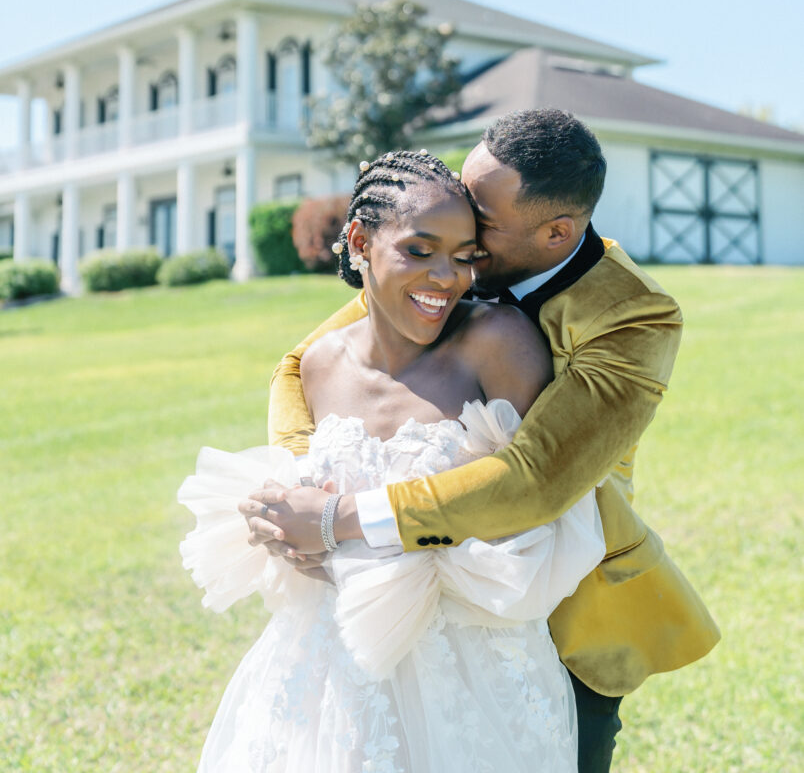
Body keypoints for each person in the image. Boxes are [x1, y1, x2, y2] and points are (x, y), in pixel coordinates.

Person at [251, 111, 720, 773]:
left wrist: (337, 521)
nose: (463, 227)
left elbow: (535, 481)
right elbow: (304, 364)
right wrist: (303, 480)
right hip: (406, 607)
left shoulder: (633, 316)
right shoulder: (448, 264)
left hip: (561, 600)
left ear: (557, 231)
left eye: (484, 221)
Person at [179, 149, 608, 772]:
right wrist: (272, 521)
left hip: (474, 678)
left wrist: (337, 531)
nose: (446, 278)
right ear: (359, 240)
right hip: (330, 675)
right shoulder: (317, 364)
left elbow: (532, 517)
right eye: (419, 250)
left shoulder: (499, 346)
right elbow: (298, 499)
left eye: (465, 258)